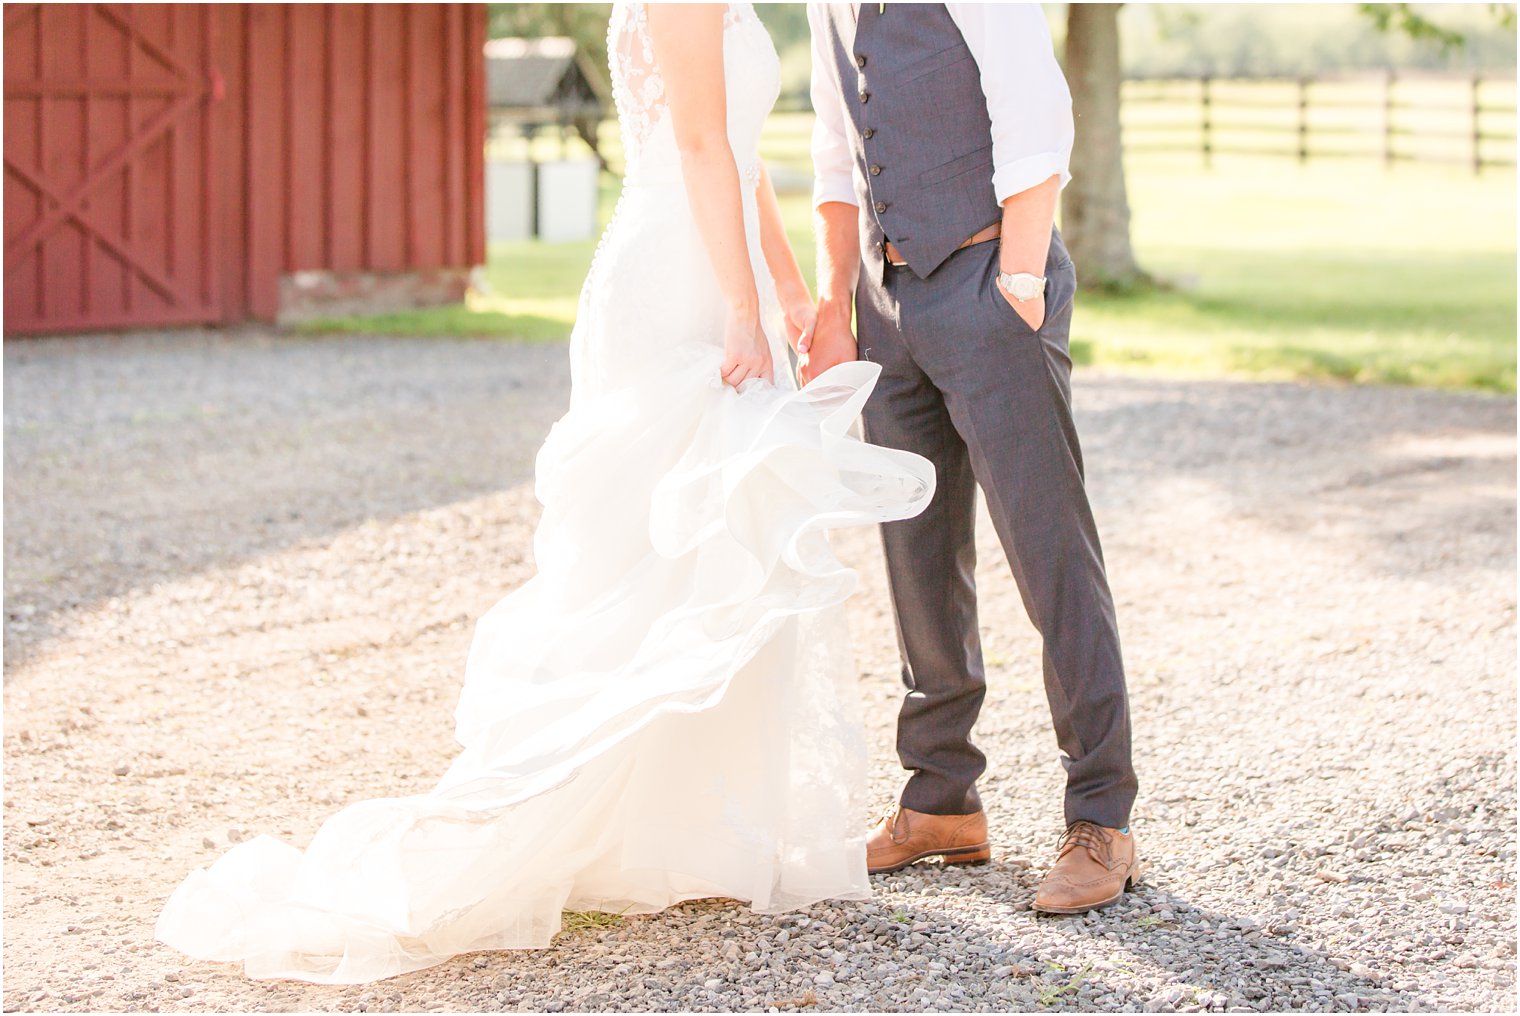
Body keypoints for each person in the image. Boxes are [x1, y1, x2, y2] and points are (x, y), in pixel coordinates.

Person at [153, 2, 933, 983]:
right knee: (650, 541)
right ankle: (572, 817)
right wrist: (741, 307)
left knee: (713, 540)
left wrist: (784, 288)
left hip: (717, 257)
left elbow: (740, 155)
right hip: (675, 275)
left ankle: (691, 831)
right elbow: (693, 142)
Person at [800, 2, 1143, 914]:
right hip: (886, 301)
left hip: (990, 279)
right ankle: (940, 798)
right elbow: (836, 147)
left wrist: (1020, 283)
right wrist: (836, 302)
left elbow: (1035, 114)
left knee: (1049, 551)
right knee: (916, 554)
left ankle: (1102, 815)